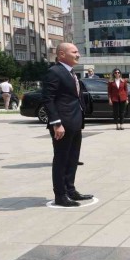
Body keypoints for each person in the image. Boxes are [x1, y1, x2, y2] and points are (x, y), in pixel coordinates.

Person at [41, 43, 93, 208]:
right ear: (62, 54)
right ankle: (60, 195)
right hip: (62, 124)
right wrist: (56, 123)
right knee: (61, 159)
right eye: (74, 52)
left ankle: (70, 190)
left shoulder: (71, 72)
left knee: (73, 158)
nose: (78, 54)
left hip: (75, 122)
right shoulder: (54, 72)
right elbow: (48, 99)